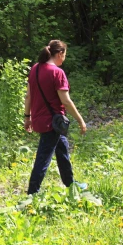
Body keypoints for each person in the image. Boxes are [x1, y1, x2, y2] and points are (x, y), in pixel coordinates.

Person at [23, 40, 87, 195]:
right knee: (43, 159)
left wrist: (27, 117)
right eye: (64, 55)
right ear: (59, 54)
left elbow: (28, 96)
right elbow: (65, 100)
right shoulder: (57, 73)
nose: (64, 59)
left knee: (62, 151)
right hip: (52, 123)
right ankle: (32, 193)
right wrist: (80, 120)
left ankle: (70, 184)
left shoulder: (35, 69)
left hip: (43, 121)